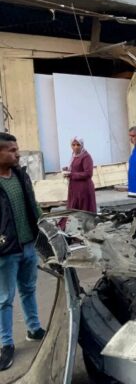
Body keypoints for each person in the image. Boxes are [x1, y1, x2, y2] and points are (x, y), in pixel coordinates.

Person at [0, 133, 45, 371]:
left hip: (28, 245)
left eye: (17, 150)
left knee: (28, 290)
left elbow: (34, 204)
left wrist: (44, 228)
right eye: (12, 150)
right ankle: (6, 344)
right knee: (5, 299)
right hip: (6, 251)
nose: (17, 154)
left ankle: (34, 329)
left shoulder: (20, 175)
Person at [63, 137, 96, 213]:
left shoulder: (86, 157)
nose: (76, 147)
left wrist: (71, 174)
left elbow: (88, 173)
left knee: (83, 211)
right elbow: (76, 169)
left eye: (78, 145)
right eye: (73, 145)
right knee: (74, 210)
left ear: (82, 145)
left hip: (83, 189)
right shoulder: (74, 156)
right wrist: (67, 171)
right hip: (74, 188)